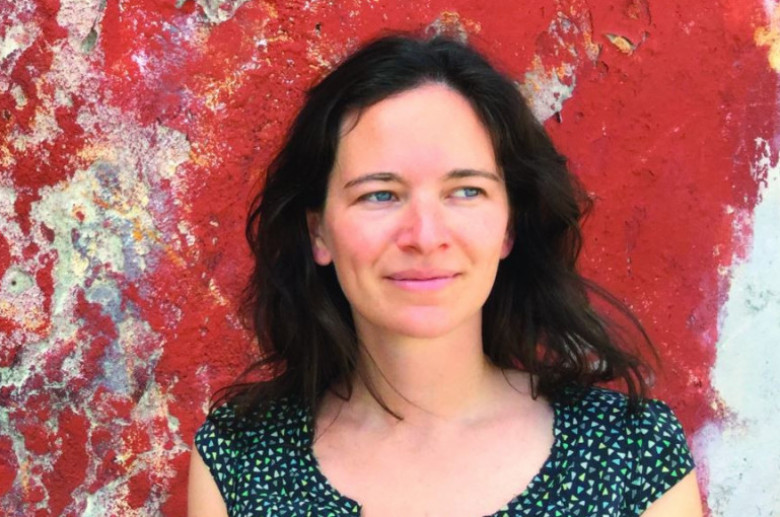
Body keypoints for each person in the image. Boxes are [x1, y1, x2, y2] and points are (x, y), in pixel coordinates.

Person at [187, 33, 702, 517]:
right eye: (380, 194)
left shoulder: (631, 456)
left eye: (466, 191)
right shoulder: (240, 458)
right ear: (318, 232)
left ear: (509, 226)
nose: (425, 235)